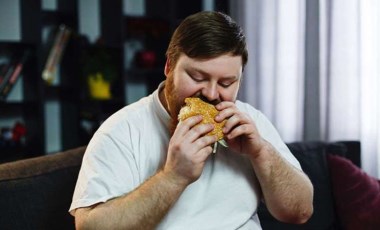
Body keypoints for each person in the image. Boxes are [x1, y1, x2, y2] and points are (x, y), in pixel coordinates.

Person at [70, 11, 313, 229]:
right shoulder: (122, 131)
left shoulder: (250, 121)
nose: (211, 93)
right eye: (197, 77)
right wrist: (174, 176)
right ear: (169, 67)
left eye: (226, 83)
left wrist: (261, 152)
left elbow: (300, 212)